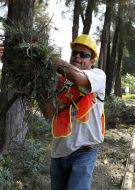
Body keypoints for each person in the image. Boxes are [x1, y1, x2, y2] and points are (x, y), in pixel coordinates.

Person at [39, 34, 106, 190]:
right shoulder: (59, 81)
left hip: (84, 152)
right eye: (74, 52)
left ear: (92, 61)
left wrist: (46, 55)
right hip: (58, 153)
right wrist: (38, 85)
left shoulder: (98, 76)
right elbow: (48, 113)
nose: (77, 56)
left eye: (83, 54)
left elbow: (78, 78)